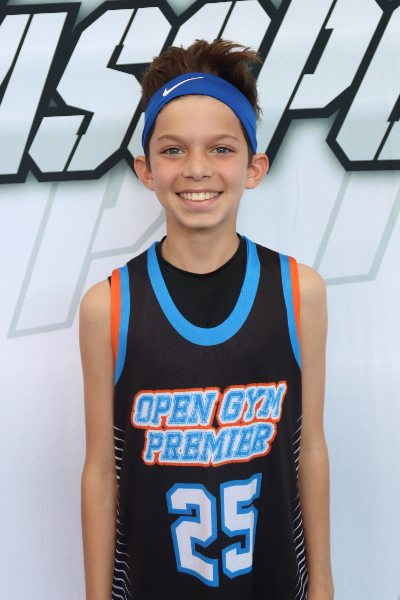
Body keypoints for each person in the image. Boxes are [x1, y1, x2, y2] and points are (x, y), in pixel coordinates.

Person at [79, 39, 334, 600]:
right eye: (173, 150)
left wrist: (323, 583)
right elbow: (101, 470)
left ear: (254, 167)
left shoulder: (299, 292)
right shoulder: (109, 307)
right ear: (146, 170)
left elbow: (310, 448)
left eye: (221, 149)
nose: (197, 169)